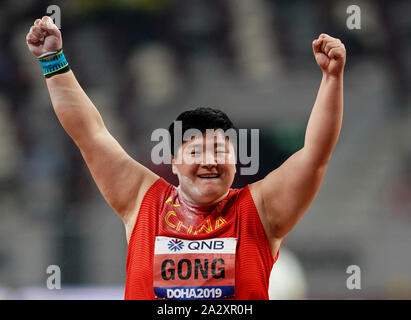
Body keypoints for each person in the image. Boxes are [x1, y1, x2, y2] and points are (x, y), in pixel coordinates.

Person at [26, 16, 346, 300]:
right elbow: (90, 134)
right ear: (174, 162)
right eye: (196, 151)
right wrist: (53, 61)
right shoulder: (142, 200)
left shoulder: (260, 211)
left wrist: (332, 79)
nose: (209, 161)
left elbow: (315, 155)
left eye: (220, 151)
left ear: (236, 162)